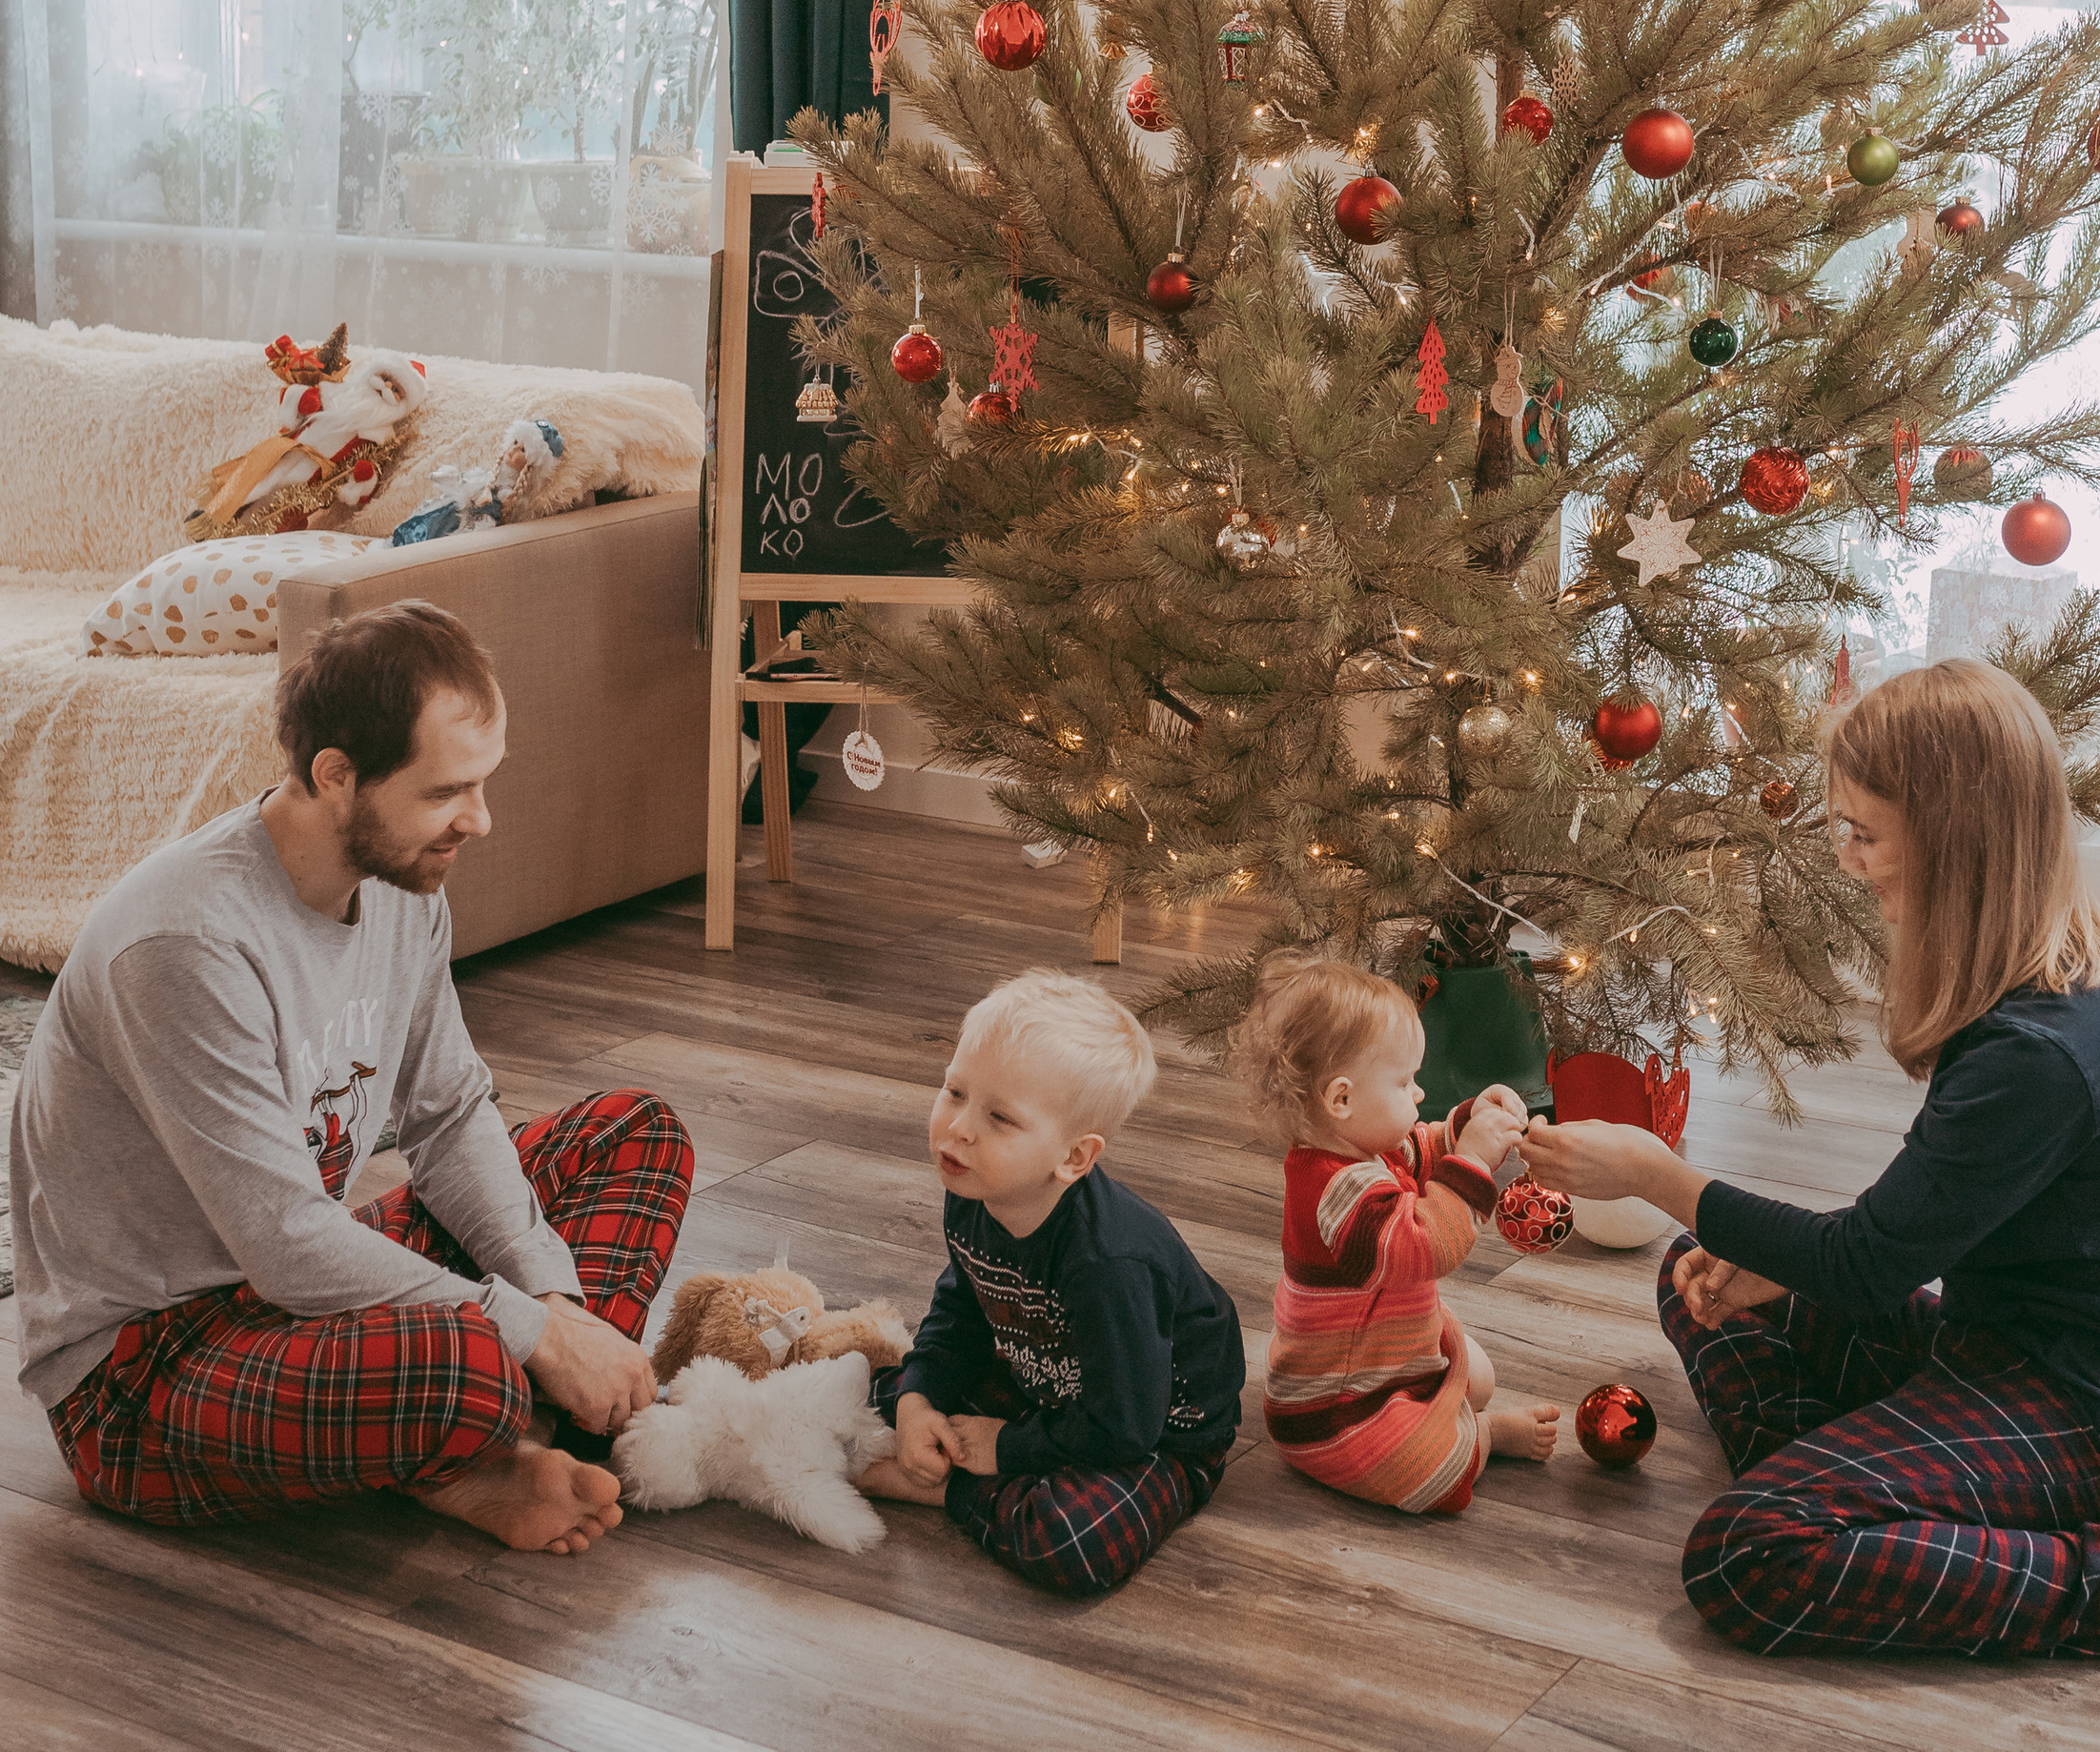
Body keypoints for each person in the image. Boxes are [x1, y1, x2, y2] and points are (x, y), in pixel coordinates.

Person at [1526, 659, 2100, 1660]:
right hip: (1999, 1347)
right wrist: (1762, 1254)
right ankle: (1892, 1512)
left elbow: (1865, 1265)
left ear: (1953, 840)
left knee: (1744, 1554)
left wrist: (1654, 1172)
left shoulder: (2041, 1052)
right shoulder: (2051, 977)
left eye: (1864, 834)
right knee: (1698, 1274)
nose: (1846, 860)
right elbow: (1900, 1238)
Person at [10, 599, 692, 1558]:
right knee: (468, 1360)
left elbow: (449, 1116)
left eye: (483, 783)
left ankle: (502, 1434)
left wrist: (553, 1306)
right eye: (446, 791)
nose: (479, 821)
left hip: (298, 1294)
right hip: (150, 1368)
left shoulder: (402, 884)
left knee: (632, 1132)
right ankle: (490, 1430)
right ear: (336, 776)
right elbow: (288, 1246)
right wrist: (526, 1334)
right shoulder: (183, 944)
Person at [859, 969, 1243, 1595]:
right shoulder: (975, 1186)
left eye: (1000, 1118)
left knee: (1071, 1541)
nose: (959, 1127)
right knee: (875, 1390)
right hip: (1044, 1380)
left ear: (1073, 1157)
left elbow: (1125, 1427)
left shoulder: (1110, 1263)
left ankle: (948, 1491)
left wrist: (1006, 1449)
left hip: (1154, 1433)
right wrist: (918, 1399)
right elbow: (962, 1309)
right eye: (955, 1091)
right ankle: (970, 1456)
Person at [1232, 951, 1560, 1516]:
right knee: (1432, 1473)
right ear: (1342, 1099)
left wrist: (1467, 1123)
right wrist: (1474, 1161)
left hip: (1389, 1354)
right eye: (1404, 1082)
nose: (1418, 1094)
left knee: (1479, 1377)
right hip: (1339, 1409)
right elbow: (1425, 1247)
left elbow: (1421, 1151)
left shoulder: (1364, 1148)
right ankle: (1482, 1437)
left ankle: (1449, 1411)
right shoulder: (1335, 1190)